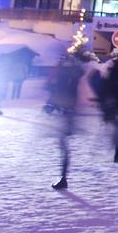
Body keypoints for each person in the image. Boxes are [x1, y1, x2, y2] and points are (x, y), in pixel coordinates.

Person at [47, 58, 84, 190]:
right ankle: (63, 178)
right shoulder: (71, 78)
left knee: (63, 148)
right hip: (66, 113)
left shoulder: (65, 78)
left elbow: (61, 94)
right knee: (63, 147)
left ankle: (63, 178)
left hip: (65, 114)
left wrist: (51, 105)